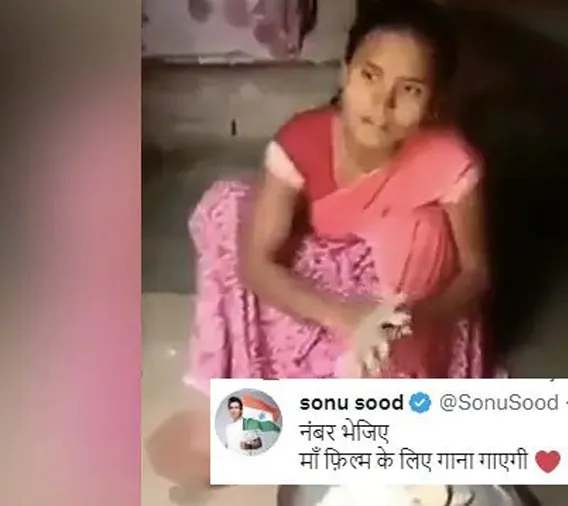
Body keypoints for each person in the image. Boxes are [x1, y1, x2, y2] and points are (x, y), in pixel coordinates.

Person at [183, 0, 501, 391]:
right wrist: (344, 316)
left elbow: (475, 272)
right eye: (370, 76)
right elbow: (257, 266)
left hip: (399, 293)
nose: (382, 104)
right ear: (344, 73)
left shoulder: (451, 161)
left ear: (433, 105)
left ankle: (394, 370)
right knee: (228, 207)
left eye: (410, 90)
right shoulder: (301, 140)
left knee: (424, 227)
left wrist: (414, 318)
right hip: (315, 283)